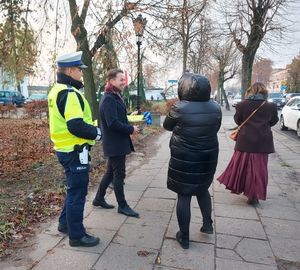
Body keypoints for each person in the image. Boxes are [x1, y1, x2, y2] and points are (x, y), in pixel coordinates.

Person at [48, 51, 101, 247]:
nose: (81, 73)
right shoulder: (69, 93)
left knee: (73, 190)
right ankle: (77, 236)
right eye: (79, 69)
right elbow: (76, 125)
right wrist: (97, 134)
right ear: (70, 70)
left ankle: (64, 224)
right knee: (78, 192)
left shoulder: (56, 90)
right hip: (75, 150)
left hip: (64, 149)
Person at [163, 73, 222, 249]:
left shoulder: (179, 108)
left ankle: (185, 236)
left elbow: (167, 126)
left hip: (185, 157)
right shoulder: (216, 108)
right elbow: (216, 128)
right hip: (208, 155)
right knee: (203, 189)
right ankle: (207, 224)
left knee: (184, 194)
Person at [217, 82, 279, 205]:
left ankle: (242, 187)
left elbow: (238, 120)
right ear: (264, 92)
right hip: (262, 142)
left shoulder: (242, 105)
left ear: (250, 91)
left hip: (245, 141)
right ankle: (254, 194)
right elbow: (274, 121)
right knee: (259, 169)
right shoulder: (271, 106)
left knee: (241, 167)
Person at [93, 68, 140, 218]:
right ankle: (123, 205)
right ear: (111, 81)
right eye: (121, 79)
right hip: (115, 144)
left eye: (123, 79)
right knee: (119, 175)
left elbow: (116, 116)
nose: (124, 82)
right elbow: (112, 123)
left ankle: (99, 198)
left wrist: (128, 116)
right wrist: (131, 129)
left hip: (116, 143)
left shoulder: (114, 96)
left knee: (109, 173)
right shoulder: (108, 98)